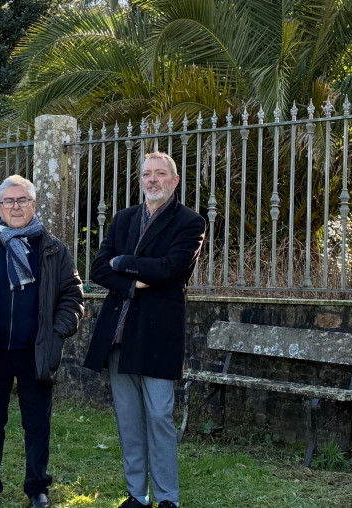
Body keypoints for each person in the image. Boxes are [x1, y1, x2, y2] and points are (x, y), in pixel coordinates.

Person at [0, 174, 84, 508]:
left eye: (22, 200)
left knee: (37, 425)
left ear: (34, 204)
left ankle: (37, 488)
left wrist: (56, 332)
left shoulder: (53, 249)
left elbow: (73, 295)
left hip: (35, 352)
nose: (16, 206)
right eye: (9, 201)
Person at [83, 152, 206, 508]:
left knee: (158, 416)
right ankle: (137, 495)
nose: (152, 180)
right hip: (118, 334)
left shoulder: (190, 222)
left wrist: (123, 263)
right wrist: (132, 283)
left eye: (160, 174)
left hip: (158, 334)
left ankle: (168, 499)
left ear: (175, 181)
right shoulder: (122, 219)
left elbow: (170, 268)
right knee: (129, 420)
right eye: (147, 174)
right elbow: (97, 269)